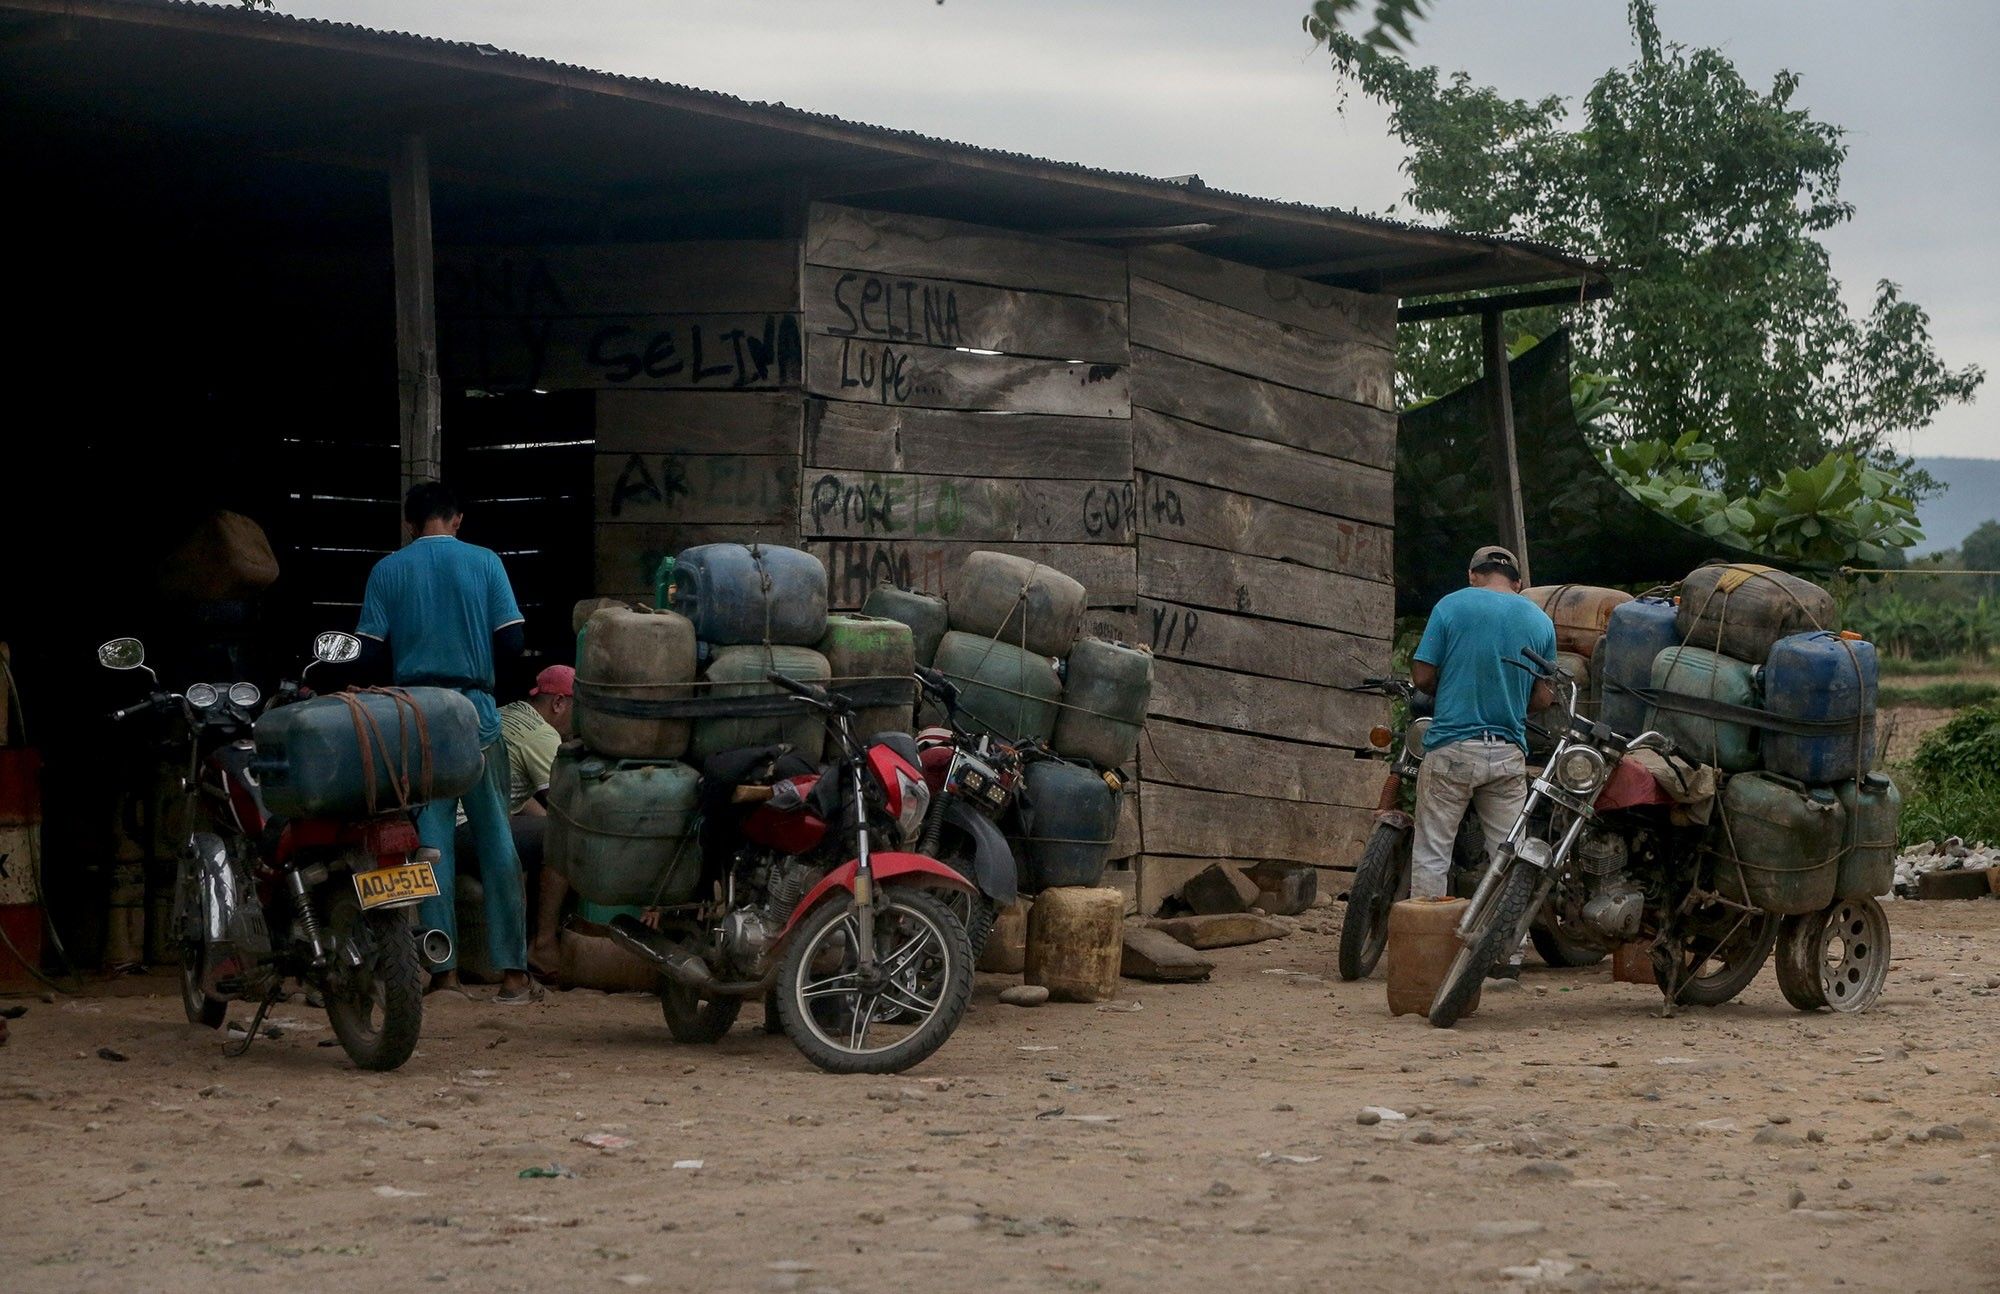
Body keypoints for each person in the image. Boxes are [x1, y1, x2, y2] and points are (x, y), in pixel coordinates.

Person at [356, 482, 541, 1004]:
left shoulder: (387, 571)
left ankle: (445, 973)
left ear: (409, 523)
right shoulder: (485, 563)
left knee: (429, 847)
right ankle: (513, 975)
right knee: (497, 841)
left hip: (416, 719)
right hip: (476, 715)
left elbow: (367, 652)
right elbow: (511, 641)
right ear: (457, 518)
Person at [1408, 544, 1556, 978]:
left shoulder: (1451, 606)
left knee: (1434, 851)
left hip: (1452, 747)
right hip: (1507, 754)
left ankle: (1428, 956)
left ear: (1473, 575)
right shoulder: (1539, 620)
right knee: (1507, 856)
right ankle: (1508, 957)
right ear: (1518, 584)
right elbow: (1545, 696)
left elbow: (1421, 675)